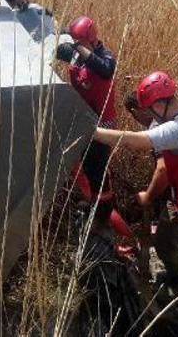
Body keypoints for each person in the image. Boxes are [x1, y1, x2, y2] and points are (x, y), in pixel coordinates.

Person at [93, 71, 178, 320]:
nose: (151, 117)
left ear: (159, 104)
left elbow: (135, 141)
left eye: (150, 110)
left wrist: (93, 132)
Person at [56, 16, 117, 222]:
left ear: (90, 40)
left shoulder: (105, 57)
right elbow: (57, 49)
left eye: (79, 41)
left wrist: (79, 48)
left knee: (98, 172)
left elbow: (105, 69)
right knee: (84, 165)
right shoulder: (76, 53)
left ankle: (102, 216)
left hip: (100, 126)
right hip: (81, 120)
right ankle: (92, 201)